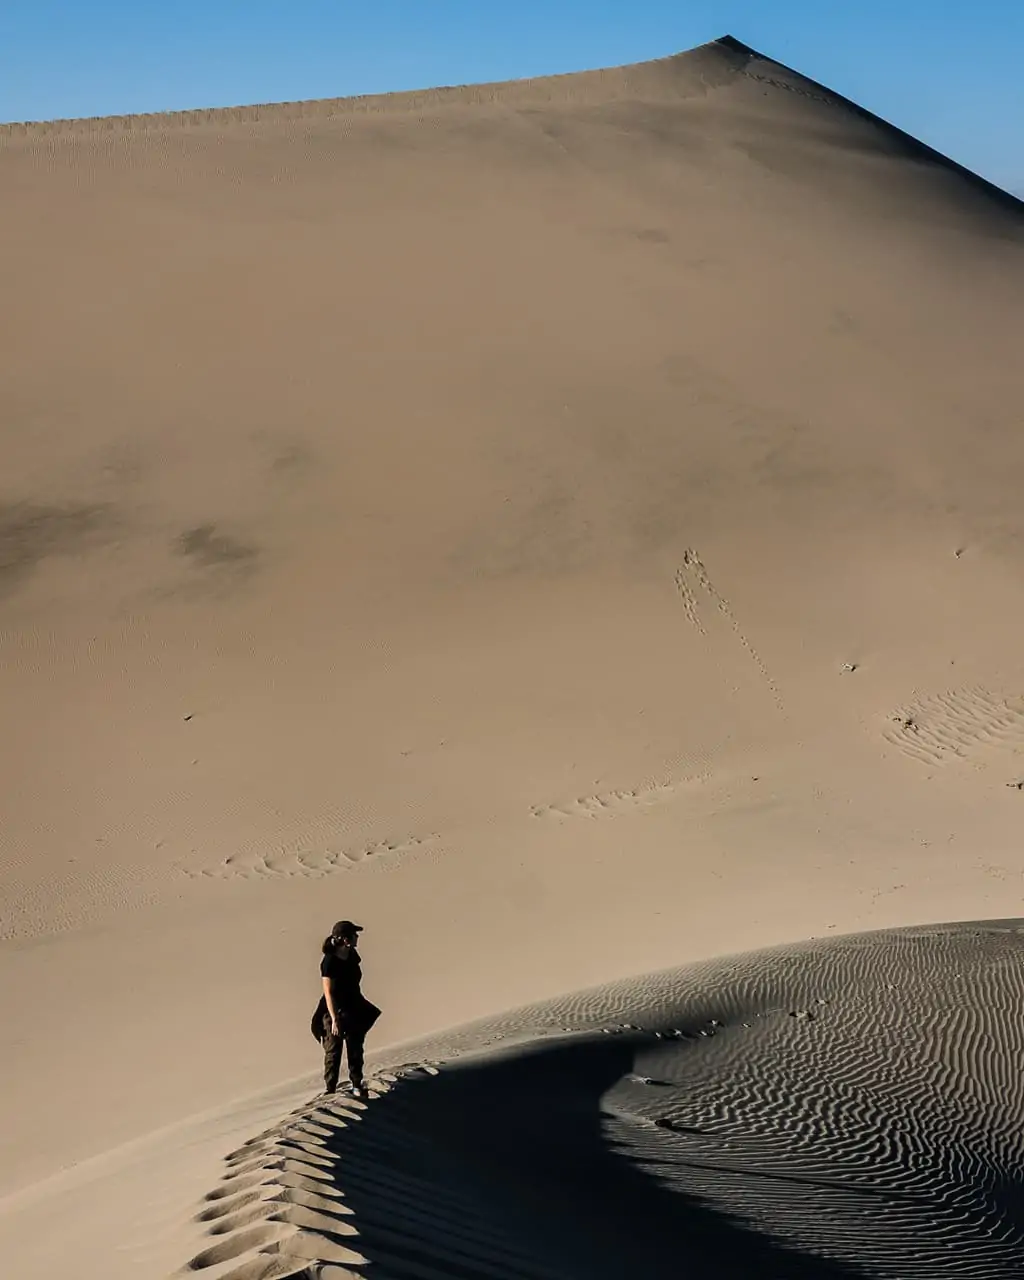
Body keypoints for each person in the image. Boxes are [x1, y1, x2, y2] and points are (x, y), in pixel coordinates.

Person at [314, 919, 380, 1095]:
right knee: (333, 1050)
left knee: (356, 1046)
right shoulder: (329, 961)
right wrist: (335, 1019)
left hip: (354, 1005)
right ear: (345, 939)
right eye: (354, 934)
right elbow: (328, 993)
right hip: (333, 1008)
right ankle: (330, 1089)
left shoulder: (352, 955)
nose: (357, 937)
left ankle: (356, 1084)